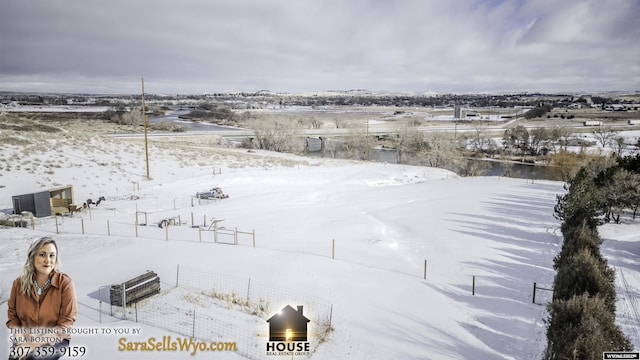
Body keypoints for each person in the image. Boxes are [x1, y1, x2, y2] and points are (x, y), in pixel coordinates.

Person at [6, 237, 77, 360]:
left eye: (52, 255)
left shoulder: (65, 284)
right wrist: (21, 340)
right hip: (26, 337)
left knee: (34, 357)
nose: (48, 260)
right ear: (32, 257)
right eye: (42, 254)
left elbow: (65, 323)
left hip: (55, 339)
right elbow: (13, 317)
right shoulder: (18, 284)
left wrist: (32, 344)